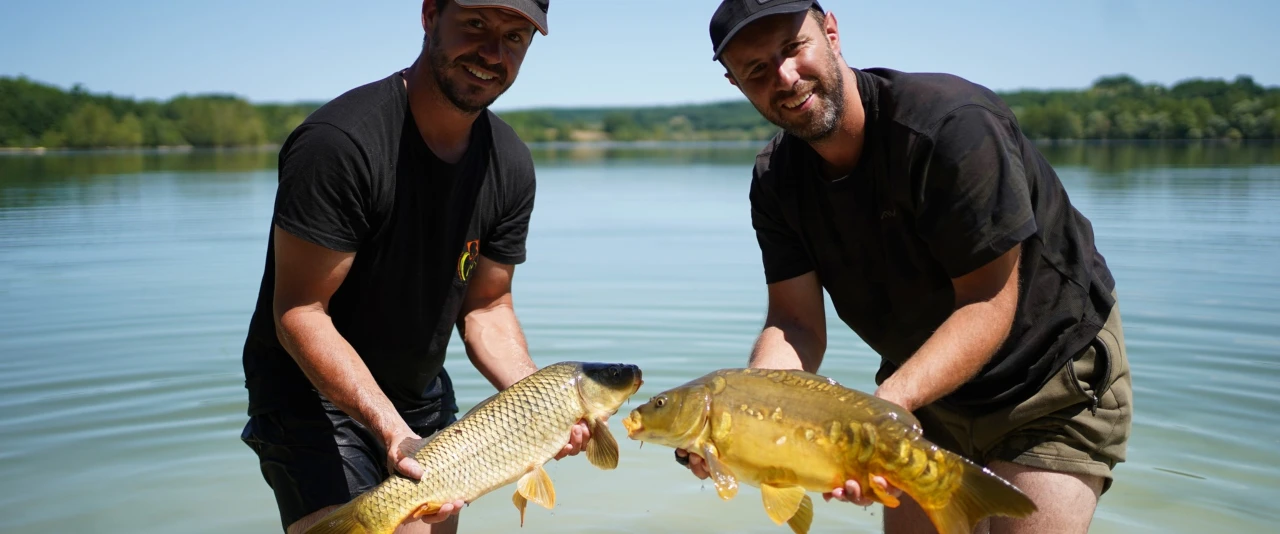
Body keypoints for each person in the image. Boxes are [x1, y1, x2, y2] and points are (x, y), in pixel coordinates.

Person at [674, 1, 1133, 533]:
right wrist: (747, 412)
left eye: (793, 48)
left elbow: (987, 302)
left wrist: (879, 414)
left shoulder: (952, 128)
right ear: (735, 83)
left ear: (830, 32)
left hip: (1046, 378)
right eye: (756, 70)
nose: (784, 76)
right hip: (919, 387)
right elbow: (796, 325)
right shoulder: (776, 178)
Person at [237, 1, 591, 533]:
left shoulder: (510, 161)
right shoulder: (340, 143)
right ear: (430, 14)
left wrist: (541, 403)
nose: (493, 53)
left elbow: (488, 307)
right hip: (309, 393)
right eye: (475, 25)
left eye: (515, 37)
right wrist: (390, 430)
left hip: (419, 388)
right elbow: (300, 311)